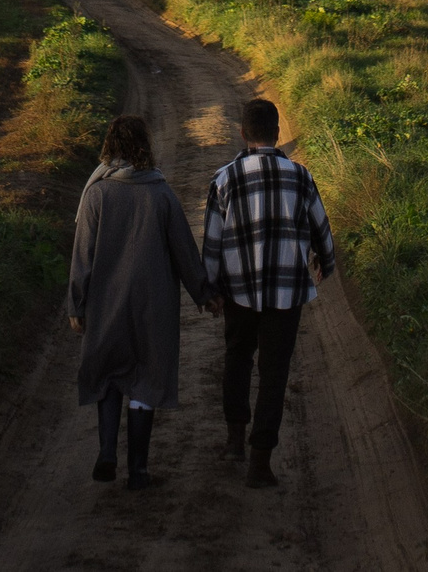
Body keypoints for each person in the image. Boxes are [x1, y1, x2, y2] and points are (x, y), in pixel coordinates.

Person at [69, 114, 214, 489]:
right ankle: (139, 470)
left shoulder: (96, 194)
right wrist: (204, 293)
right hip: (154, 305)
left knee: (110, 375)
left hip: (106, 303)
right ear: (144, 146)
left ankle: (106, 453)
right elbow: (184, 250)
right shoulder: (161, 193)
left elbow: (81, 255)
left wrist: (77, 305)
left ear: (109, 146)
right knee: (146, 379)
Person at [200, 97, 336, 489]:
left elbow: (211, 242)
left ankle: (234, 440)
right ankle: (261, 461)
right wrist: (326, 262)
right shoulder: (301, 176)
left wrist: (210, 290)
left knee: (237, 358)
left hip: (238, 291)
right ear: (278, 134)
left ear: (242, 134)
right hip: (287, 292)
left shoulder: (224, 179)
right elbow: (321, 228)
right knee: (274, 373)